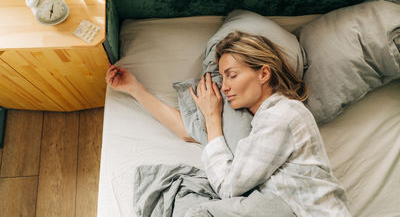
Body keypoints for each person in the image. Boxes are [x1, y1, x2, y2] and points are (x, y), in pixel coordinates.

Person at [105, 31, 351, 216]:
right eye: (222, 77)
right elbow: (188, 131)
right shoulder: (257, 118)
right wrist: (134, 89)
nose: (224, 86)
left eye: (232, 75)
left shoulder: (282, 115)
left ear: (264, 74)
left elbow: (229, 187)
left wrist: (213, 118)